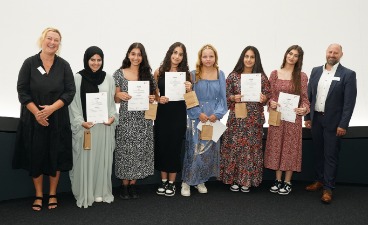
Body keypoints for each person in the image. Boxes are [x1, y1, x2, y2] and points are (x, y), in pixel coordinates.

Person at [13, 27, 76, 211]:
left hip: (57, 119)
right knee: (36, 156)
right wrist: (38, 113)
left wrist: (51, 109)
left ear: (59, 44)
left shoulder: (64, 65)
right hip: (34, 120)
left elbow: (70, 91)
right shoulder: (29, 63)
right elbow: (22, 91)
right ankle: (39, 195)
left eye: (56, 40)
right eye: (49, 38)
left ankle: (53, 194)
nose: (52, 42)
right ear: (42, 40)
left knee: (55, 156)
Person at [304, 43, 357, 203]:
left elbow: (349, 103)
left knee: (330, 155)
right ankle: (319, 180)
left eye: (335, 52)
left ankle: (328, 188)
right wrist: (307, 117)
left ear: (341, 55)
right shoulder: (315, 71)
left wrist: (343, 124)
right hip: (316, 120)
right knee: (319, 152)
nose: (332, 55)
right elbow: (308, 96)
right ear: (326, 53)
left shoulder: (348, 74)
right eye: (330, 51)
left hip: (334, 122)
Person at [68, 46, 118, 208]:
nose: (96, 63)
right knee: (85, 161)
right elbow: (73, 105)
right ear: (86, 60)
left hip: (103, 128)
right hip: (86, 129)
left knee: (101, 160)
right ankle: (86, 192)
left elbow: (111, 104)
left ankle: (100, 191)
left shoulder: (109, 78)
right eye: (92, 60)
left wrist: (112, 118)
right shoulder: (77, 78)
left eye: (99, 60)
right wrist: (80, 121)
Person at [219, 46, 270, 193]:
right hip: (237, 119)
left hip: (254, 120)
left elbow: (268, 96)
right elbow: (226, 95)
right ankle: (234, 179)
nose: (248, 59)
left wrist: (264, 98)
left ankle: (247, 180)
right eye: (246, 56)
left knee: (250, 150)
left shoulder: (261, 77)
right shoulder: (233, 76)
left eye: (252, 57)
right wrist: (232, 97)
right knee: (234, 148)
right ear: (242, 58)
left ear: (256, 59)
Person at [181, 44, 227, 197]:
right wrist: (197, 113)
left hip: (213, 118)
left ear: (215, 58)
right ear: (200, 58)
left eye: (211, 56)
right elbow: (189, 97)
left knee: (208, 152)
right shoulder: (193, 74)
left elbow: (223, 99)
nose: (208, 59)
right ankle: (187, 182)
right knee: (194, 150)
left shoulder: (220, 74)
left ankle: (200, 180)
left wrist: (217, 114)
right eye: (205, 56)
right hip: (197, 116)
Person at [264, 45, 310, 195]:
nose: (292, 57)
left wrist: (304, 109)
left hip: (293, 119)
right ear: (286, 55)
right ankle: (277, 180)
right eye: (290, 53)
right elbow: (269, 95)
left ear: (299, 59)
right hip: (277, 116)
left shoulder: (301, 76)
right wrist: (271, 102)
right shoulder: (274, 74)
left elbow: (305, 99)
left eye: (295, 55)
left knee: (290, 149)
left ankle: (288, 181)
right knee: (276, 147)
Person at [113, 42, 156, 199]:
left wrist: (152, 98)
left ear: (142, 57)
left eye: (139, 54)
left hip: (143, 120)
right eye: (133, 54)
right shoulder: (119, 73)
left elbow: (154, 97)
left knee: (139, 152)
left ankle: (133, 185)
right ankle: (124, 185)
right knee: (125, 152)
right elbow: (115, 99)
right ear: (128, 55)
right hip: (126, 119)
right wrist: (119, 95)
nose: (136, 57)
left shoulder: (148, 75)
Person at [154, 42, 192, 197]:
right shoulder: (159, 71)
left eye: (180, 54)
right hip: (163, 113)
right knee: (162, 146)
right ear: (170, 53)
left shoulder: (186, 74)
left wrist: (190, 89)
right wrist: (159, 98)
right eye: (175, 52)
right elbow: (154, 94)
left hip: (178, 115)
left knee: (175, 148)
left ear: (183, 57)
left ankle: (172, 183)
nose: (177, 56)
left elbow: (190, 100)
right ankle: (163, 181)